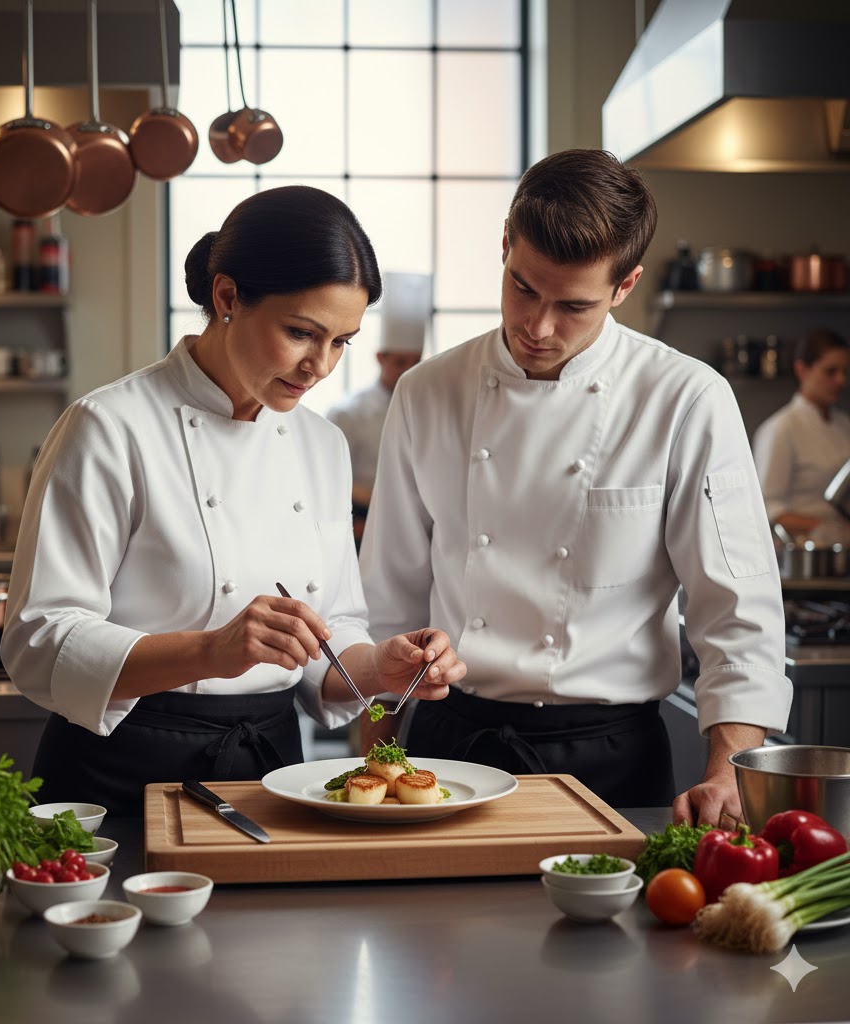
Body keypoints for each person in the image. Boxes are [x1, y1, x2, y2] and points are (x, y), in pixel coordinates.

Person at [0, 186, 465, 816]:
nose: (319, 366)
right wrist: (210, 650)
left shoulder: (321, 444)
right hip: (118, 774)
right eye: (302, 332)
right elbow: (39, 639)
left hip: (270, 773)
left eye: (341, 342)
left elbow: (330, 638)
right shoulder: (110, 427)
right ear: (227, 298)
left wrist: (381, 665)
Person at [359, 149, 791, 827]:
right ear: (505, 244)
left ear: (626, 286)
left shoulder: (684, 398)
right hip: (449, 754)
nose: (538, 326)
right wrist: (372, 764)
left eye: (574, 306)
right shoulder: (427, 393)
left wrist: (728, 772)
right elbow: (388, 604)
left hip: (612, 760)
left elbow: (736, 611)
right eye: (523, 288)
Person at [326, 272, 428, 546]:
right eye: (401, 362)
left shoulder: (429, 409)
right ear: (380, 358)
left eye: (415, 361)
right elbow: (332, 479)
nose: (409, 370)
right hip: (362, 522)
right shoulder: (348, 413)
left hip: (419, 524)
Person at [752, 328, 850, 541]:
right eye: (830, 372)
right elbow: (766, 506)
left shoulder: (845, 425)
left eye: (845, 372)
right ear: (802, 370)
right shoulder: (780, 429)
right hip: (802, 553)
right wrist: (823, 527)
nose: (841, 380)